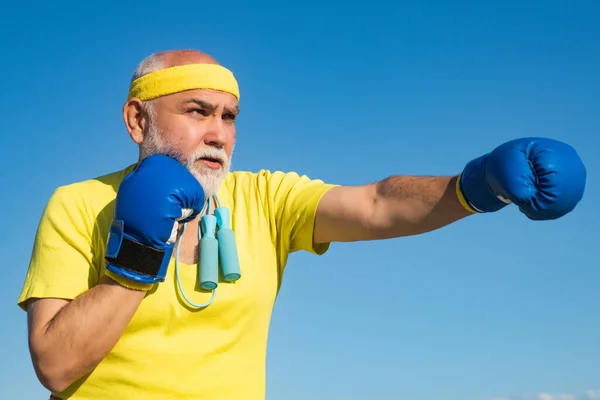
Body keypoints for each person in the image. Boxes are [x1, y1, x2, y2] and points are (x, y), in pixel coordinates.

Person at [18, 49, 587, 400]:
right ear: (137, 119)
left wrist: (478, 184)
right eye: (197, 111)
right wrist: (137, 256)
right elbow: (56, 366)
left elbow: (377, 205)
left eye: (229, 116)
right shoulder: (78, 204)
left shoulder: (264, 197)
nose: (219, 133)